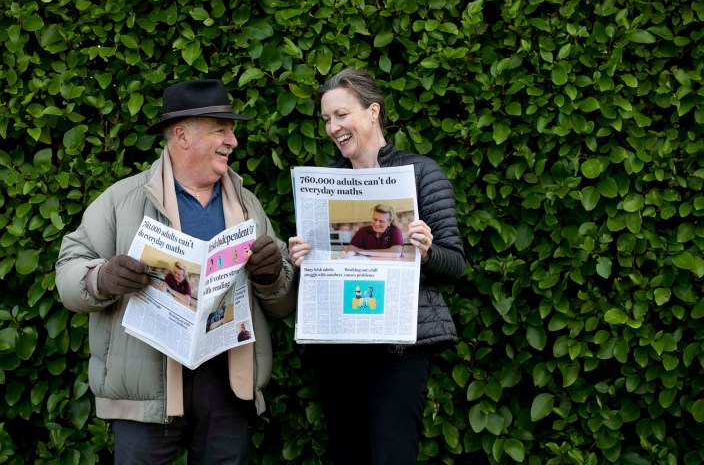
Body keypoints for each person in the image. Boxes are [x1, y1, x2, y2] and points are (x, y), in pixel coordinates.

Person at [56, 78, 297, 464]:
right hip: (148, 394)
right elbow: (68, 270)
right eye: (221, 129)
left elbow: (282, 303)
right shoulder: (122, 201)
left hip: (227, 385)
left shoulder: (248, 205)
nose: (233, 140)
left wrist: (272, 278)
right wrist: (100, 279)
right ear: (182, 136)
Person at [288, 68, 466, 464]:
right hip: (337, 349)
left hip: (399, 351)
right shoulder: (323, 182)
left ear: (373, 112)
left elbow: (455, 265)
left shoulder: (420, 173)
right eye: (327, 120)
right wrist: (302, 260)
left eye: (341, 114)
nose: (334, 127)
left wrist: (427, 251)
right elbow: (316, 277)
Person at [338, 204, 404, 259]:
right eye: (375, 219)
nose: (376, 224)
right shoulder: (363, 230)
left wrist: (364, 251)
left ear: (390, 222)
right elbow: (352, 248)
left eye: (381, 221)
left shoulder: (395, 231)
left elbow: (396, 253)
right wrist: (347, 253)